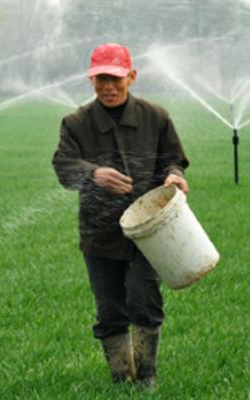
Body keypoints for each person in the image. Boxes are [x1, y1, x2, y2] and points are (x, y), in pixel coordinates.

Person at [52, 43, 189, 389]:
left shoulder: (155, 117)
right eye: (100, 79)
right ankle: (120, 378)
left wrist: (174, 175)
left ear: (131, 76)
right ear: (92, 80)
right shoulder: (76, 123)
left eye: (115, 78)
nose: (108, 87)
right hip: (100, 234)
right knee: (110, 310)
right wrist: (93, 173)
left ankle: (146, 379)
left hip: (149, 230)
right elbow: (64, 167)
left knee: (144, 300)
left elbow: (173, 160)